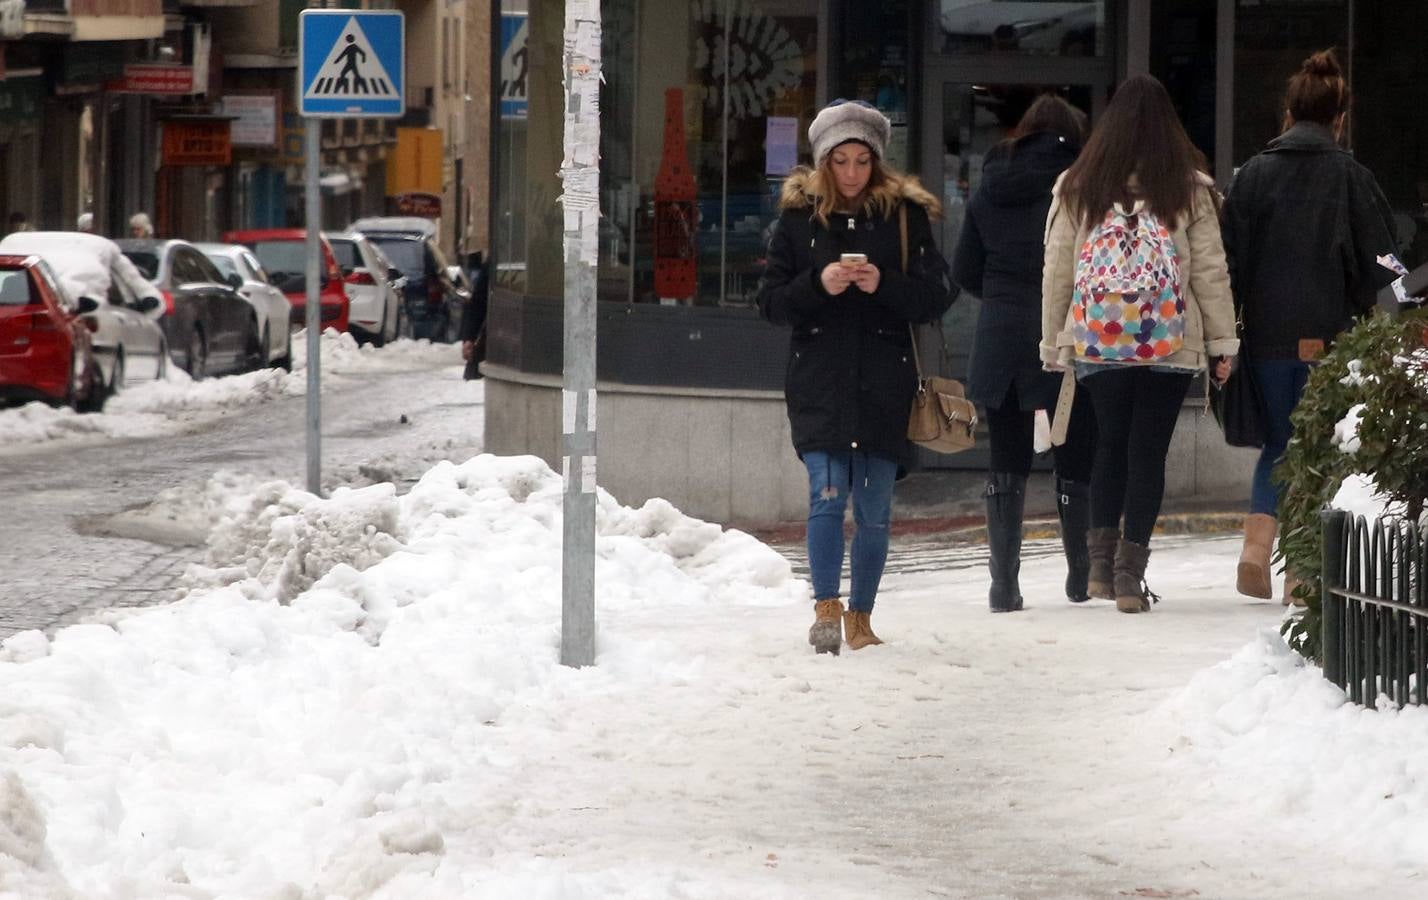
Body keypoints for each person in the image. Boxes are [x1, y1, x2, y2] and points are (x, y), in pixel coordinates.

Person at [757, 99, 953, 653]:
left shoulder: (905, 218)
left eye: (861, 161)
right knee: (825, 494)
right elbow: (770, 304)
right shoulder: (798, 221)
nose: (849, 173)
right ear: (822, 162)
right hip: (819, 381)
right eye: (839, 160)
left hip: (885, 383)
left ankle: (861, 618)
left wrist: (882, 283)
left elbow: (939, 296)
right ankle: (826, 608)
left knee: (873, 510)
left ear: (877, 162)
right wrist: (819, 282)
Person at [1040, 74, 1238, 614]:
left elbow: (1058, 271)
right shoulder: (1189, 188)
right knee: (1147, 453)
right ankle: (1131, 576)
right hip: (1169, 343)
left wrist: (1055, 340)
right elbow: (1211, 273)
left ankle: (1099, 565)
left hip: (1100, 340)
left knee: (1109, 444)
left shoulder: (1078, 186)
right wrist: (1222, 343)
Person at [1221, 49, 1398, 604]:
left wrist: (1226, 335)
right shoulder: (1353, 177)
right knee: (1318, 447)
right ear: (1339, 118)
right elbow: (1383, 262)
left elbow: (1227, 262)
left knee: (1278, 444)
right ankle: (1301, 570)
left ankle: (1255, 548)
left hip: (1267, 339)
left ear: (1289, 112)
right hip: (1332, 338)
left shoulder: (1251, 176)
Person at [952, 94, 1098, 613]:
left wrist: (999, 295)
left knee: (1005, 459)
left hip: (999, 334)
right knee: (1074, 451)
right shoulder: (1081, 188)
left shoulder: (990, 185)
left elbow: (964, 268)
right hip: (1063, 332)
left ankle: (1003, 586)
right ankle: (1080, 577)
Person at [460, 250, 489, 380]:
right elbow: (478, 301)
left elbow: (478, 301)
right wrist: (469, 337)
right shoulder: (499, 257)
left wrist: (469, 338)